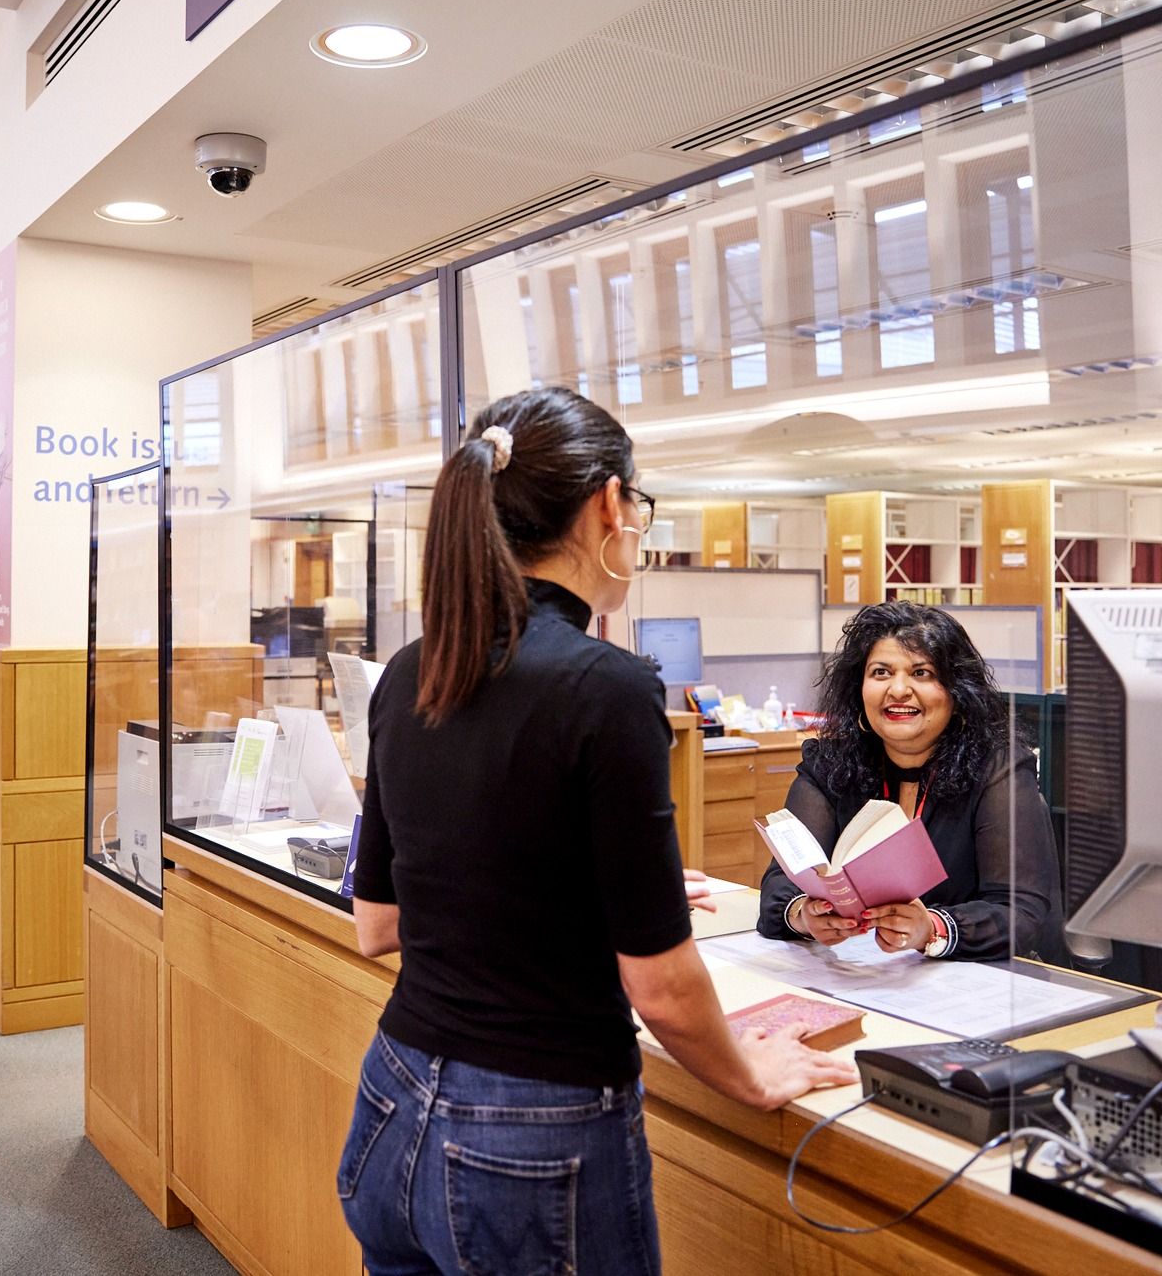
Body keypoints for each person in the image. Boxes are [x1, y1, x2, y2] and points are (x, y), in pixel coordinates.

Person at [340, 387, 856, 1276]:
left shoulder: (412, 670)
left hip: (392, 1099)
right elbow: (658, 988)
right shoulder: (605, 687)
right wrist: (749, 1074)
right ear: (609, 505)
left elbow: (377, 925)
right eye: (641, 508)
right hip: (530, 1134)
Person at [756, 600, 1066, 963]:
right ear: (859, 687)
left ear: (956, 691)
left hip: (973, 980)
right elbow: (779, 885)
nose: (898, 690)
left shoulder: (997, 768)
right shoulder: (828, 765)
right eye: (881, 673)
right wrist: (804, 916)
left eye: (922, 673)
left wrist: (930, 927)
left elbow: (1020, 910)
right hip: (862, 975)